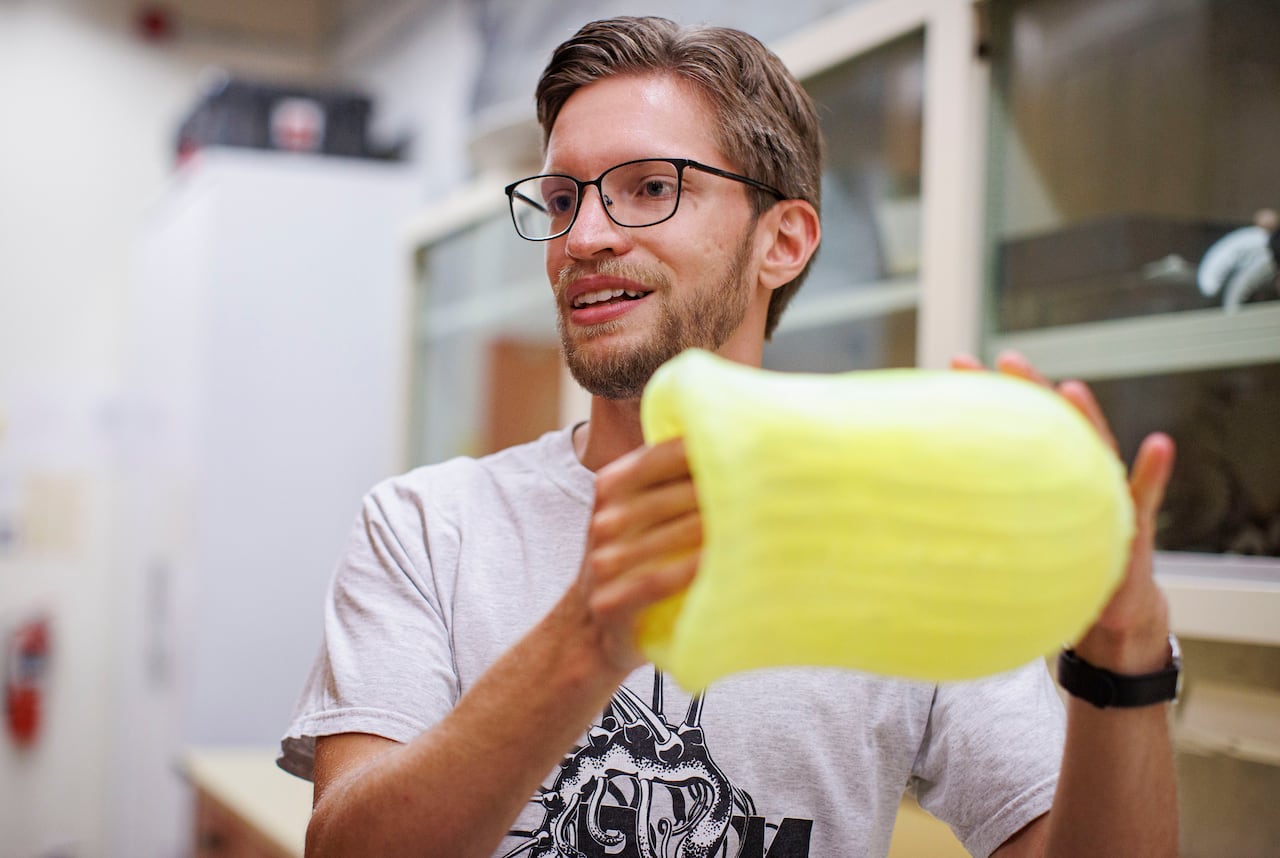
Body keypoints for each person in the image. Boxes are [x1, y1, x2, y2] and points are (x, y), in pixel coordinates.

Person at [279, 16, 1179, 858]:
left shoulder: (899, 534)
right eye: (560, 199)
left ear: (781, 240)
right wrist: (589, 636)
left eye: (650, 187)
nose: (582, 237)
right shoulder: (428, 527)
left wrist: (1122, 661)